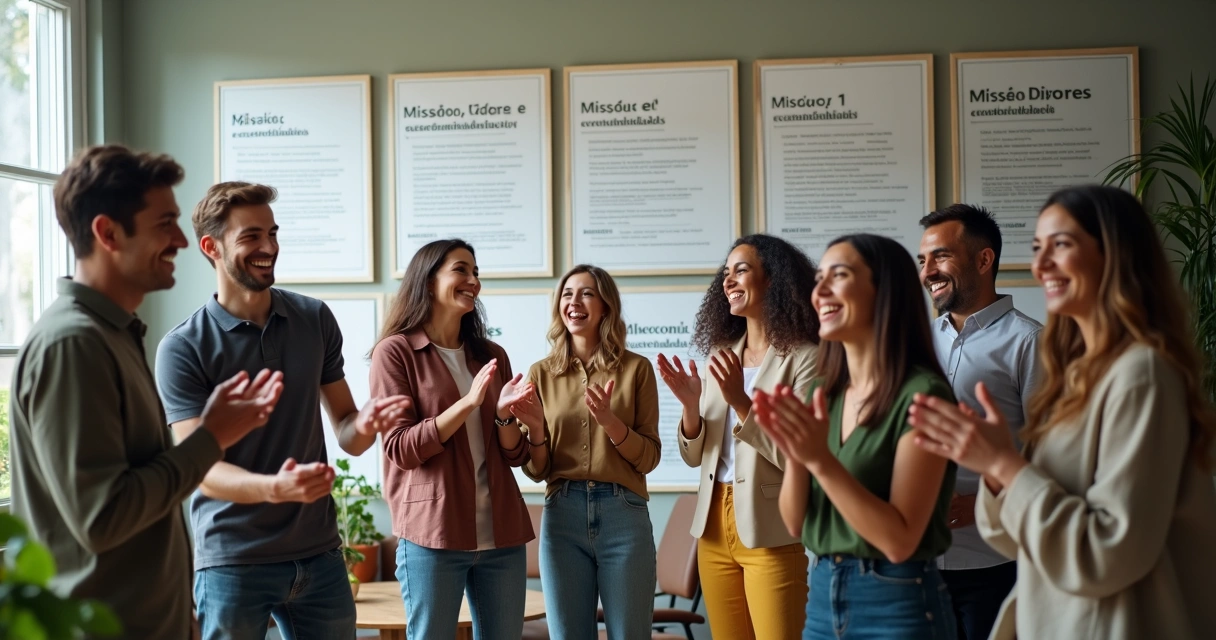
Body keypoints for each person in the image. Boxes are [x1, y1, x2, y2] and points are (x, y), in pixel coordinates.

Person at [909, 185, 1216, 639]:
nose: (1040, 265)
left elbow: (1108, 554)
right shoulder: (1081, 375)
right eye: (1038, 248)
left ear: (1116, 255)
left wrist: (1001, 464)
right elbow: (1018, 534)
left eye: (1062, 245)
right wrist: (996, 472)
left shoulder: (1141, 374)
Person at [8, 145, 283, 639]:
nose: (182, 239)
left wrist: (181, 613)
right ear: (108, 233)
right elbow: (103, 518)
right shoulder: (74, 345)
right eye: (165, 224)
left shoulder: (114, 333)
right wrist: (211, 438)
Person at [154, 182, 409, 640]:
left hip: (320, 554)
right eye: (251, 236)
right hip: (232, 560)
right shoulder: (183, 348)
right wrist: (276, 489)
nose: (269, 247)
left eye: (272, 233)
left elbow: (348, 433)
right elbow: (201, 469)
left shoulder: (314, 319)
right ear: (211, 247)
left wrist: (366, 422)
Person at [754, 233, 958, 639]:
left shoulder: (924, 395)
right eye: (819, 279)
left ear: (885, 293)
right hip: (823, 593)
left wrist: (821, 462)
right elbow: (794, 522)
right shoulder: (821, 395)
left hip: (897, 599)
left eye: (840, 275)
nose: (820, 292)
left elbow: (899, 541)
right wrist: (799, 453)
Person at [369, 238, 535, 639]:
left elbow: (514, 455)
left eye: (476, 272)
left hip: (501, 534)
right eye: (461, 269)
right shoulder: (395, 353)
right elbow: (400, 448)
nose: (473, 280)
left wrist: (503, 417)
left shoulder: (490, 353)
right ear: (428, 281)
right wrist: (467, 404)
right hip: (432, 535)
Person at [657, 233, 820, 639]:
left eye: (741, 270)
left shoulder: (806, 357)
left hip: (771, 527)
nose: (729, 281)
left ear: (774, 279)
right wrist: (691, 408)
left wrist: (740, 401)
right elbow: (697, 456)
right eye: (726, 273)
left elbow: (800, 455)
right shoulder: (721, 354)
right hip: (712, 526)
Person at [514, 264, 661, 640]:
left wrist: (611, 423)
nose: (574, 302)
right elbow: (537, 470)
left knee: (630, 634)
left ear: (605, 307)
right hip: (562, 513)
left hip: (623, 514)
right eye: (567, 294)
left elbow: (648, 458)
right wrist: (533, 428)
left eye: (586, 293)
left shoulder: (637, 370)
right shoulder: (540, 373)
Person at [917, 204, 1042, 640]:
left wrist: (983, 505)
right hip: (920, 563)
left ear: (984, 260)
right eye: (923, 260)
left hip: (994, 562)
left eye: (940, 256)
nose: (928, 271)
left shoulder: (1030, 342)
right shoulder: (917, 342)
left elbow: (1049, 455)